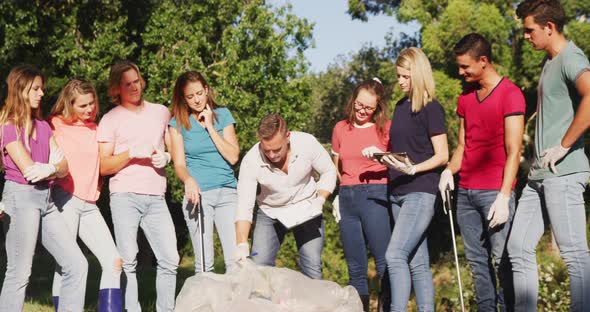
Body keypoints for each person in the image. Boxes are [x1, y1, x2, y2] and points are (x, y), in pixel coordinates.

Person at [508, 1, 590, 311]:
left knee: (574, 254)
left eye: (529, 30)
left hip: (565, 173)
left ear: (549, 27)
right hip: (540, 176)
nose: (526, 36)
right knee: (518, 248)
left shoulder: (571, 57)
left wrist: (565, 144)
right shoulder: (550, 61)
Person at [439, 33, 524, 311]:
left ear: (483, 61)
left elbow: (514, 151)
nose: (461, 72)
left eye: (465, 67)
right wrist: (449, 171)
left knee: (502, 260)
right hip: (466, 194)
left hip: (494, 193)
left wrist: (504, 195)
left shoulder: (510, 94)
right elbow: (463, 144)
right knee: (477, 263)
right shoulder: (466, 98)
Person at [364, 47, 448, 312]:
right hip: (397, 193)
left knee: (394, 255)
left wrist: (415, 169)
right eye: (398, 76)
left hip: (421, 192)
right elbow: (403, 151)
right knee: (417, 262)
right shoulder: (400, 108)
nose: (399, 81)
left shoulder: (432, 108)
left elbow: (442, 155)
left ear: (418, 74)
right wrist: (380, 156)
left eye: (404, 76)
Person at [0, 65, 87, 312]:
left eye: (42, 88)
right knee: (19, 273)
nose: (41, 93)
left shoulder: (44, 127)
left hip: (45, 201)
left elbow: (64, 167)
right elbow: (28, 169)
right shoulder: (8, 126)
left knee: (77, 264)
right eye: (35, 88)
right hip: (21, 199)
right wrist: (53, 166)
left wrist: (51, 169)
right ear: (21, 89)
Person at [97, 61, 179, 312]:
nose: (134, 87)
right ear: (116, 89)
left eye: (137, 81)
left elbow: (174, 146)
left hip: (156, 196)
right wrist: (131, 153)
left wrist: (167, 157)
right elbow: (103, 166)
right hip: (124, 196)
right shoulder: (111, 119)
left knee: (170, 259)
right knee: (129, 261)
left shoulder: (161, 112)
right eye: (127, 83)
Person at [49, 79, 123, 311]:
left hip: (90, 204)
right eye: (82, 106)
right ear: (69, 105)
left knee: (114, 262)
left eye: (92, 103)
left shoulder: (96, 129)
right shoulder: (54, 125)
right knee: (67, 265)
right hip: (64, 200)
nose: (89, 109)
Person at [234, 114, 337, 279]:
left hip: (307, 205)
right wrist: (241, 244)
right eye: (267, 150)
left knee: (312, 265)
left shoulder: (307, 143)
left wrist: (320, 199)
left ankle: (314, 304)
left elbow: (329, 171)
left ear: (288, 137)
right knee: (259, 267)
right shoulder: (251, 161)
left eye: (277, 149)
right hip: (271, 210)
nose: (272, 155)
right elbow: (244, 206)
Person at [169, 71, 240, 273]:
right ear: (183, 98)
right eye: (190, 97)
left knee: (235, 261)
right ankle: (206, 305)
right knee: (204, 264)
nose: (197, 100)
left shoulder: (224, 115)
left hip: (227, 192)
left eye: (199, 93)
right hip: (199, 195)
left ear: (206, 90)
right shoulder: (177, 124)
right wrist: (188, 180)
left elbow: (233, 156)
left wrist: (209, 126)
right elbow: (179, 164)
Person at [331, 78, 392, 311]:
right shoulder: (340, 128)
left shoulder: (385, 128)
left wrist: (382, 156)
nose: (362, 111)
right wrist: (342, 189)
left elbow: (397, 163)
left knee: (383, 263)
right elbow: (336, 163)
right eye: (358, 105)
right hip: (348, 197)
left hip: (376, 195)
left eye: (368, 107)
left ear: (378, 107)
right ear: (353, 100)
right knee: (355, 268)